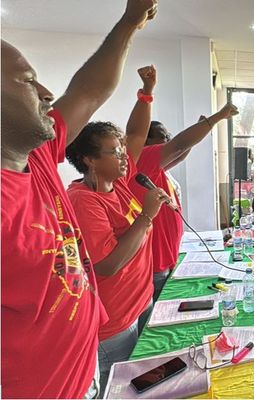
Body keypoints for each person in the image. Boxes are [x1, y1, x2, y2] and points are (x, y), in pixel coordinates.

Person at [0, 1, 156, 398]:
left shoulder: (35, 158)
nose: (46, 93)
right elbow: (106, 263)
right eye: (27, 81)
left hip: (82, 367)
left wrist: (129, 22)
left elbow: (87, 90)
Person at [66, 65, 172, 393]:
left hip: (141, 300)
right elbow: (107, 264)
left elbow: (137, 135)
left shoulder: (118, 182)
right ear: (89, 160)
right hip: (115, 322)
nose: (125, 157)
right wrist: (146, 218)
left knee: (145, 383)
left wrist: (146, 92)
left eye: (122, 150)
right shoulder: (84, 200)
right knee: (121, 389)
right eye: (114, 152)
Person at [133, 103, 238, 302]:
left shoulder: (155, 167)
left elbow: (180, 153)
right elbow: (179, 145)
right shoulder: (142, 159)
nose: (168, 141)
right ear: (147, 140)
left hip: (168, 255)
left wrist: (203, 127)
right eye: (163, 137)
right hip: (156, 261)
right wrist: (217, 117)